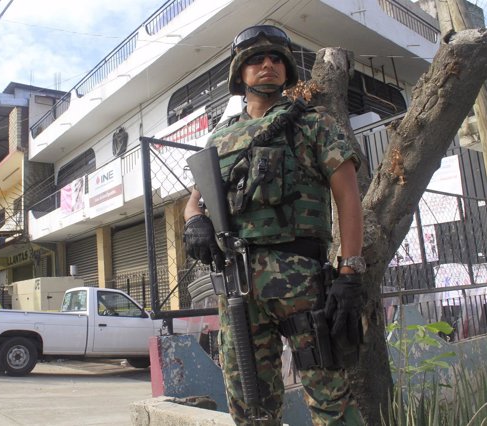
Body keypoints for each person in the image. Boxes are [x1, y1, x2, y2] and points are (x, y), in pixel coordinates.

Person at [183, 25, 365, 425]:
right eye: (256, 59)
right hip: (237, 286)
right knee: (250, 406)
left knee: (331, 399)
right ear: (239, 73)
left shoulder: (314, 123)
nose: (268, 64)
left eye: (277, 59)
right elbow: (194, 202)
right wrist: (195, 223)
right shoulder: (220, 139)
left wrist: (350, 272)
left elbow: (348, 199)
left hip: (302, 283)